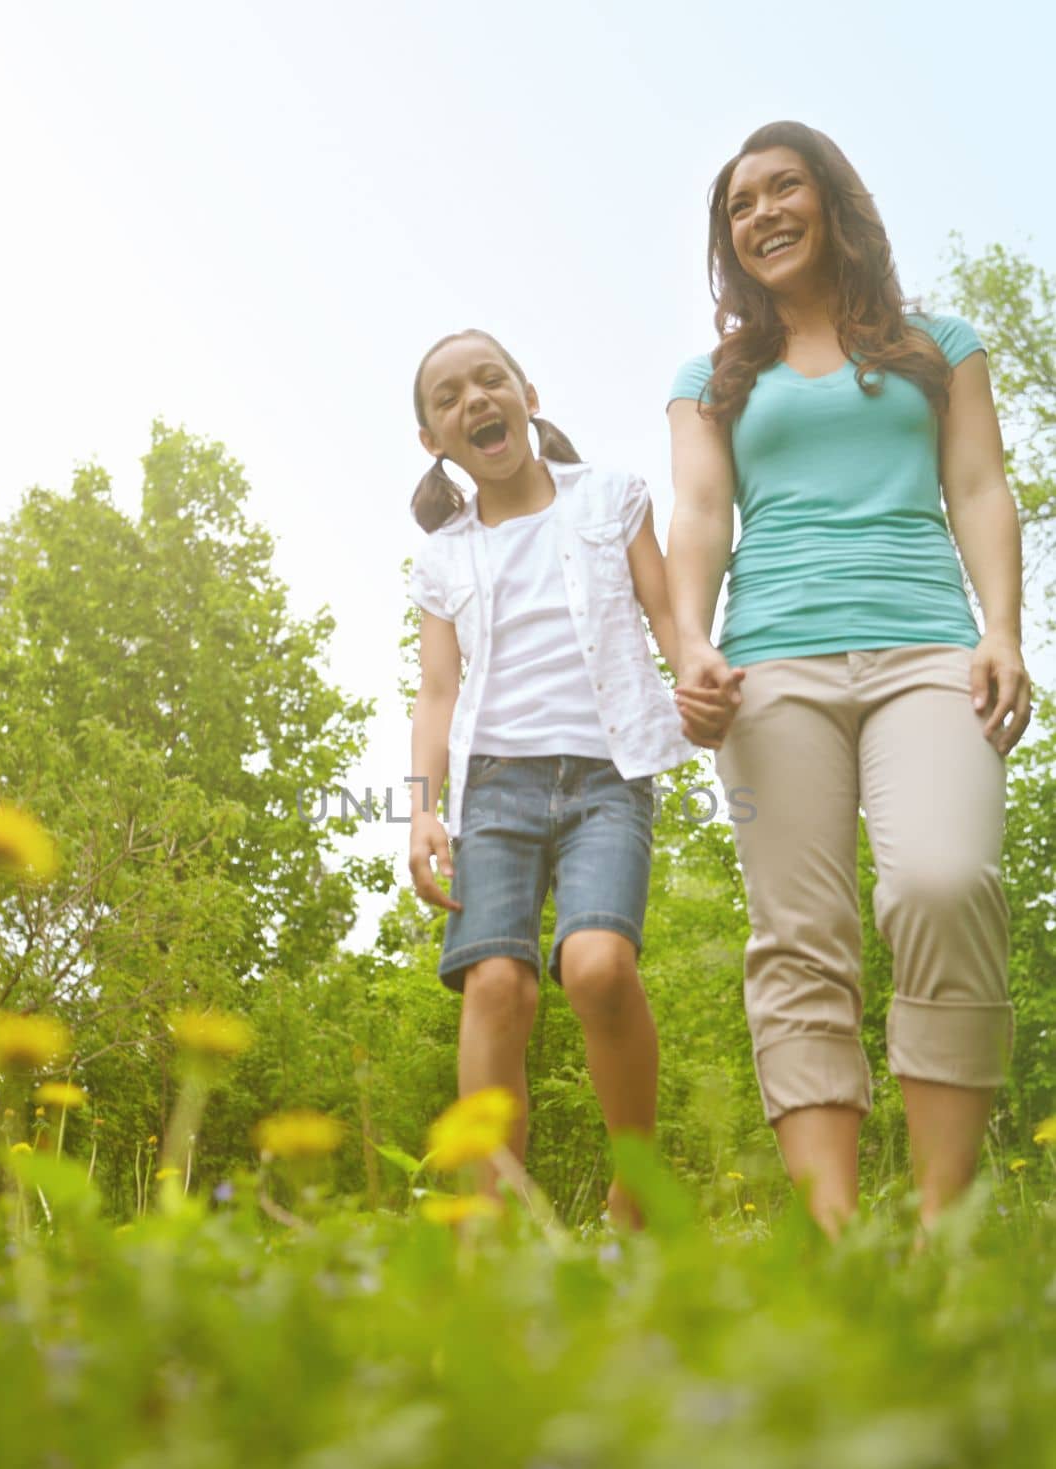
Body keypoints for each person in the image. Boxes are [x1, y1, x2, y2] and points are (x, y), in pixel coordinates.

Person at [666, 121, 1031, 1238]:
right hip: (770, 667)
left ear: (831, 204)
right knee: (799, 932)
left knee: (941, 880)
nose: (762, 212)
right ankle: (829, 1238)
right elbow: (697, 514)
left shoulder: (939, 344)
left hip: (926, 650)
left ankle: (940, 1226)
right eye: (740, 204)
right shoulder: (711, 380)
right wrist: (688, 642)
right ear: (727, 240)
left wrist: (1002, 633)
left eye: (783, 189)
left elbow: (977, 488)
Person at [408, 328, 693, 1227]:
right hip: (494, 788)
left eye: (490, 381)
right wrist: (421, 814)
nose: (475, 401)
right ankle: (490, 1229)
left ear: (528, 395)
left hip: (609, 776)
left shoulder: (610, 499)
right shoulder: (444, 558)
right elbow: (436, 692)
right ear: (434, 441)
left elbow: (665, 613)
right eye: (449, 397)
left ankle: (633, 1188)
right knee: (497, 986)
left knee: (598, 965)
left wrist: (701, 676)